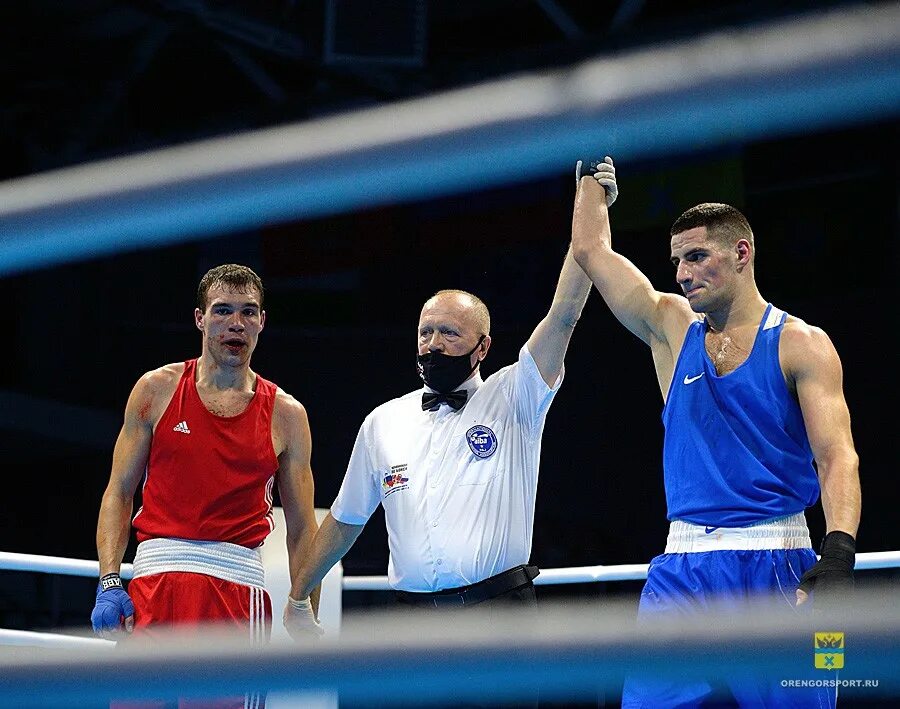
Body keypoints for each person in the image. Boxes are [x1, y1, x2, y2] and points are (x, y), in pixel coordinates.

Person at [282, 160, 618, 639]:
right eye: (426, 332)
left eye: (449, 333)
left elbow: (564, 313)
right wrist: (299, 595)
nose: (434, 343)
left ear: (482, 347)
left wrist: (592, 205)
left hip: (500, 614)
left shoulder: (515, 395)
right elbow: (344, 520)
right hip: (412, 624)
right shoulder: (383, 421)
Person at [570, 169, 861, 707]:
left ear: (742, 253)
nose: (681, 273)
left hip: (785, 561)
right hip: (682, 567)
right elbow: (590, 250)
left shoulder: (803, 344)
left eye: (697, 256)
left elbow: (837, 456)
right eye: (677, 260)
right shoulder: (672, 328)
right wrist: (592, 175)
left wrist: (840, 552)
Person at [91, 264, 321, 708]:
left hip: (233, 598)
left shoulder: (287, 415)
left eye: (248, 312)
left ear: (262, 322)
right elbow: (119, 491)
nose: (236, 324)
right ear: (200, 318)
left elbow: (301, 528)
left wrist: (304, 605)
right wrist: (108, 579)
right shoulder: (156, 390)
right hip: (153, 589)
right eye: (223, 311)